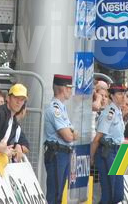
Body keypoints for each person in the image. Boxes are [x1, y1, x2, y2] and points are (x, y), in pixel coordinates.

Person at [43, 74, 75, 204]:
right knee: (55, 194)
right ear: (63, 88)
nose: (71, 91)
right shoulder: (55, 109)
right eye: (69, 88)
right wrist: (72, 134)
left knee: (59, 193)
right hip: (57, 153)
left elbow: (72, 133)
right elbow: (69, 136)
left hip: (63, 153)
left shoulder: (61, 108)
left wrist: (71, 133)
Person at [92, 84, 126, 204]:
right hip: (108, 152)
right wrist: (92, 157)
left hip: (117, 151)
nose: (123, 97)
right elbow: (97, 138)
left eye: (124, 94)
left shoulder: (118, 112)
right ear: (112, 96)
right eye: (120, 94)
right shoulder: (109, 113)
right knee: (110, 192)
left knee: (118, 194)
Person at [0, 83, 30, 161]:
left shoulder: (13, 120)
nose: (18, 102)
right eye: (16, 98)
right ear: (8, 98)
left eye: (22, 100)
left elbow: (26, 145)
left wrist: (18, 146)